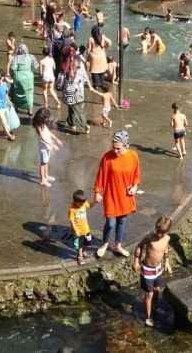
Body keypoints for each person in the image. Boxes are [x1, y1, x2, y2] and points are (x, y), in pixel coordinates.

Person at [95, 130, 141, 258]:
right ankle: (104, 244)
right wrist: (98, 192)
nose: (115, 151)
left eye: (118, 148)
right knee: (110, 223)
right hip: (111, 194)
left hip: (125, 195)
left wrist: (135, 186)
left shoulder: (133, 156)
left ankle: (118, 245)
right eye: (113, 147)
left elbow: (136, 174)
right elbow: (101, 175)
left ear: (126, 145)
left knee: (122, 221)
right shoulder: (107, 157)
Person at [132, 215, 173, 328]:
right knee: (149, 294)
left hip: (158, 269)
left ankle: (153, 306)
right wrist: (136, 261)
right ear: (155, 228)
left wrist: (167, 261)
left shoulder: (167, 238)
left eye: (162, 233)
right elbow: (139, 246)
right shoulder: (149, 237)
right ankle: (148, 317)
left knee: (157, 290)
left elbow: (165, 248)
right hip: (147, 270)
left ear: (167, 232)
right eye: (158, 231)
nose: (159, 234)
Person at [63, 54, 94, 134]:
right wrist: (90, 86)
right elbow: (86, 76)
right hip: (79, 93)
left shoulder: (67, 69)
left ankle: (83, 125)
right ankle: (73, 124)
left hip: (70, 94)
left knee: (74, 110)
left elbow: (63, 81)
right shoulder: (80, 68)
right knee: (78, 110)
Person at [33, 108, 63, 187]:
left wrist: (56, 139)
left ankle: (46, 176)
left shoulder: (43, 124)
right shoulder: (38, 126)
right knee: (43, 163)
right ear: (42, 118)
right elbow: (42, 137)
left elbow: (48, 132)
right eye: (46, 117)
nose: (48, 119)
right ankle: (43, 180)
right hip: (43, 147)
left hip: (47, 146)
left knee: (46, 162)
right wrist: (52, 145)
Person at [9, 43, 38, 116]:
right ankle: (30, 110)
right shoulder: (31, 56)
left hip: (19, 77)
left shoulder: (17, 58)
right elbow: (36, 67)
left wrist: (13, 75)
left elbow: (13, 68)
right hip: (29, 78)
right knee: (29, 94)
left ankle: (17, 106)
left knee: (17, 93)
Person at [69, 190, 96, 265]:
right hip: (78, 231)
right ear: (75, 201)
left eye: (83, 203)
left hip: (86, 229)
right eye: (80, 203)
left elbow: (90, 206)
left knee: (87, 242)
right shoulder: (72, 209)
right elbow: (72, 221)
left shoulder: (84, 204)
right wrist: (75, 230)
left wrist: (95, 201)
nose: (82, 204)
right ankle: (79, 256)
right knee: (79, 244)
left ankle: (83, 251)